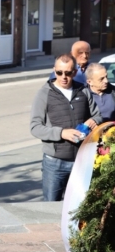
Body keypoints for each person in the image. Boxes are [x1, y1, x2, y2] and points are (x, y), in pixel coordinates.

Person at [30, 54, 102, 202]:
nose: (64, 77)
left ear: (75, 72)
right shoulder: (44, 93)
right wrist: (61, 133)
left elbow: (98, 115)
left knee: (80, 206)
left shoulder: (83, 90)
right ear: (54, 70)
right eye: (59, 72)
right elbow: (35, 127)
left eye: (68, 73)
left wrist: (93, 121)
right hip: (55, 163)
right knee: (51, 206)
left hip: (81, 160)